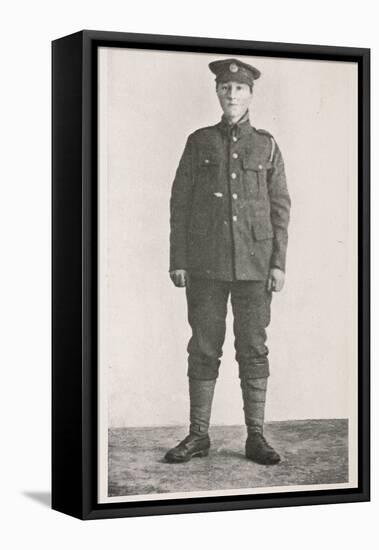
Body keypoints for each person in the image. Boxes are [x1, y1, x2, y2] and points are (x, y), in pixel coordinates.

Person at [165, 58, 291, 465]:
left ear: (251, 95)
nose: (232, 95)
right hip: (206, 263)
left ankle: (256, 437)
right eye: (225, 88)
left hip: (255, 266)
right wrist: (178, 259)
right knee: (203, 347)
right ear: (217, 93)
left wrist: (278, 264)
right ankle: (198, 435)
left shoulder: (267, 145)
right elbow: (180, 203)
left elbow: (280, 208)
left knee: (253, 348)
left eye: (239, 89)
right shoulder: (198, 141)